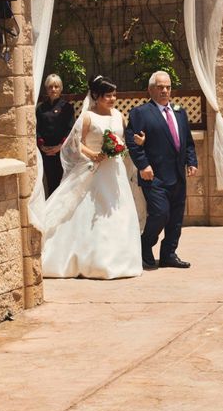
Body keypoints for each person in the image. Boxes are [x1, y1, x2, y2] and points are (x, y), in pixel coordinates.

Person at [41, 75, 142, 279]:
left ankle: (120, 260)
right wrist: (92, 154)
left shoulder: (118, 115)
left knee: (118, 212)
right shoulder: (87, 117)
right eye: (107, 96)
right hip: (93, 169)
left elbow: (124, 139)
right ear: (96, 96)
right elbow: (75, 143)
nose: (112, 99)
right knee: (91, 213)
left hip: (115, 171)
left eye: (114, 95)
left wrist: (136, 142)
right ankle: (89, 260)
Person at [125, 71, 198, 270]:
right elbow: (133, 142)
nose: (165, 90)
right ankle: (144, 245)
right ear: (150, 90)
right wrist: (143, 165)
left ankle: (169, 254)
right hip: (154, 176)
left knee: (175, 218)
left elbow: (188, 142)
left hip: (178, 175)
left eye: (167, 87)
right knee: (160, 213)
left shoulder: (180, 111)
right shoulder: (140, 113)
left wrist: (192, 162)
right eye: (160, 87)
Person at [36, 74, 75, 197]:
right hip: (46, 152)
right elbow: (37, 129)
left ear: (61, 88)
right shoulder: (41, 108)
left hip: (62, 151)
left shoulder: (67, 107)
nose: (53, 90)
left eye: (56, 86)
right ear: (46, 89)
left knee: (62, 182)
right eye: (50, 87)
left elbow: (70, 129)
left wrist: (59, 147)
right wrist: (42, 146)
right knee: (50, 182)